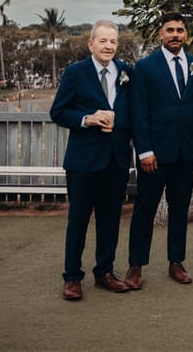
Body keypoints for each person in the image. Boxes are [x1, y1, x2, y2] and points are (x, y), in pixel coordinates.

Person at [50, 20, 133, 300]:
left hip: (116, 161)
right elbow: (58, 112)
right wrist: (86, 119)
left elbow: (134, 115)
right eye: (103, 41)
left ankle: (105, 273)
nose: (108, 46)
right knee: (78, 220)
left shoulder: (127, 73)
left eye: (113, 42)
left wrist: (118, 121)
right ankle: (72, 277)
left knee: (110, 220)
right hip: (83, 162)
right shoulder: (75, 73)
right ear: (91, 44)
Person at [125, 12, 193, 289]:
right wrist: (144, 150)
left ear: (187, 35)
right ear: (161, 34)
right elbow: (139, 112)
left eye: (180, 30)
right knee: (145, 208)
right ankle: (135, 265)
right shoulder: (145, 67)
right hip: (154, 155)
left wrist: (184, 128)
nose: (175, 35)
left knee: (179, 208)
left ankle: (176, 262)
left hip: (186, 151)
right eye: (170, 30)